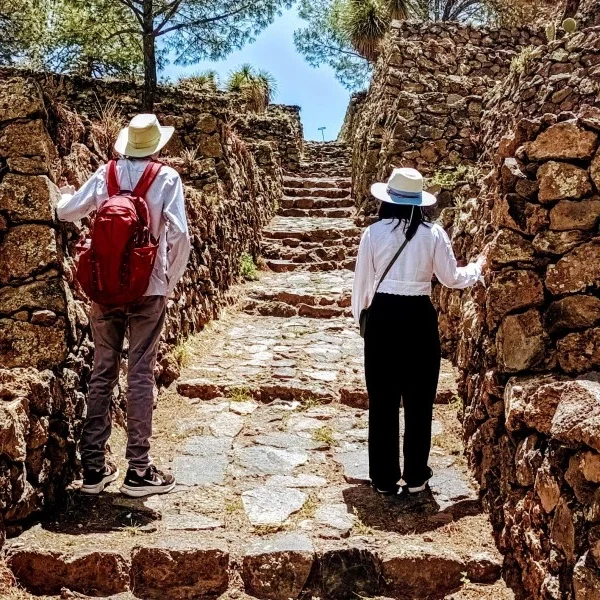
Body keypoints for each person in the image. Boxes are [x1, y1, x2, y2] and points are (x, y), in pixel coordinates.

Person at [57, 114, 191, 497]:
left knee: (103, 371)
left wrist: (61, 196)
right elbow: (180, 235)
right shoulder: (166, 178)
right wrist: (168, 280)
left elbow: (69, 211)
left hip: (105, 287)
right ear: (157, 145)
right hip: (148, 287)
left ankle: (94, 469)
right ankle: (138, 469)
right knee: (140, 372)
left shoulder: (105, 174)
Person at [352, 167, 486, 497]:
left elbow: (362, 284)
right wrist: (479, 268)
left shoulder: (373, 233)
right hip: (419, 318)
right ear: (420, 203)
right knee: (419, 400)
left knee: (382, 400)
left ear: (388, 200)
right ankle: (415, 476)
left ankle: (383, 477)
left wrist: (364, 320)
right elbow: (451, 277)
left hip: (383, 317)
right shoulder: (434, 234)